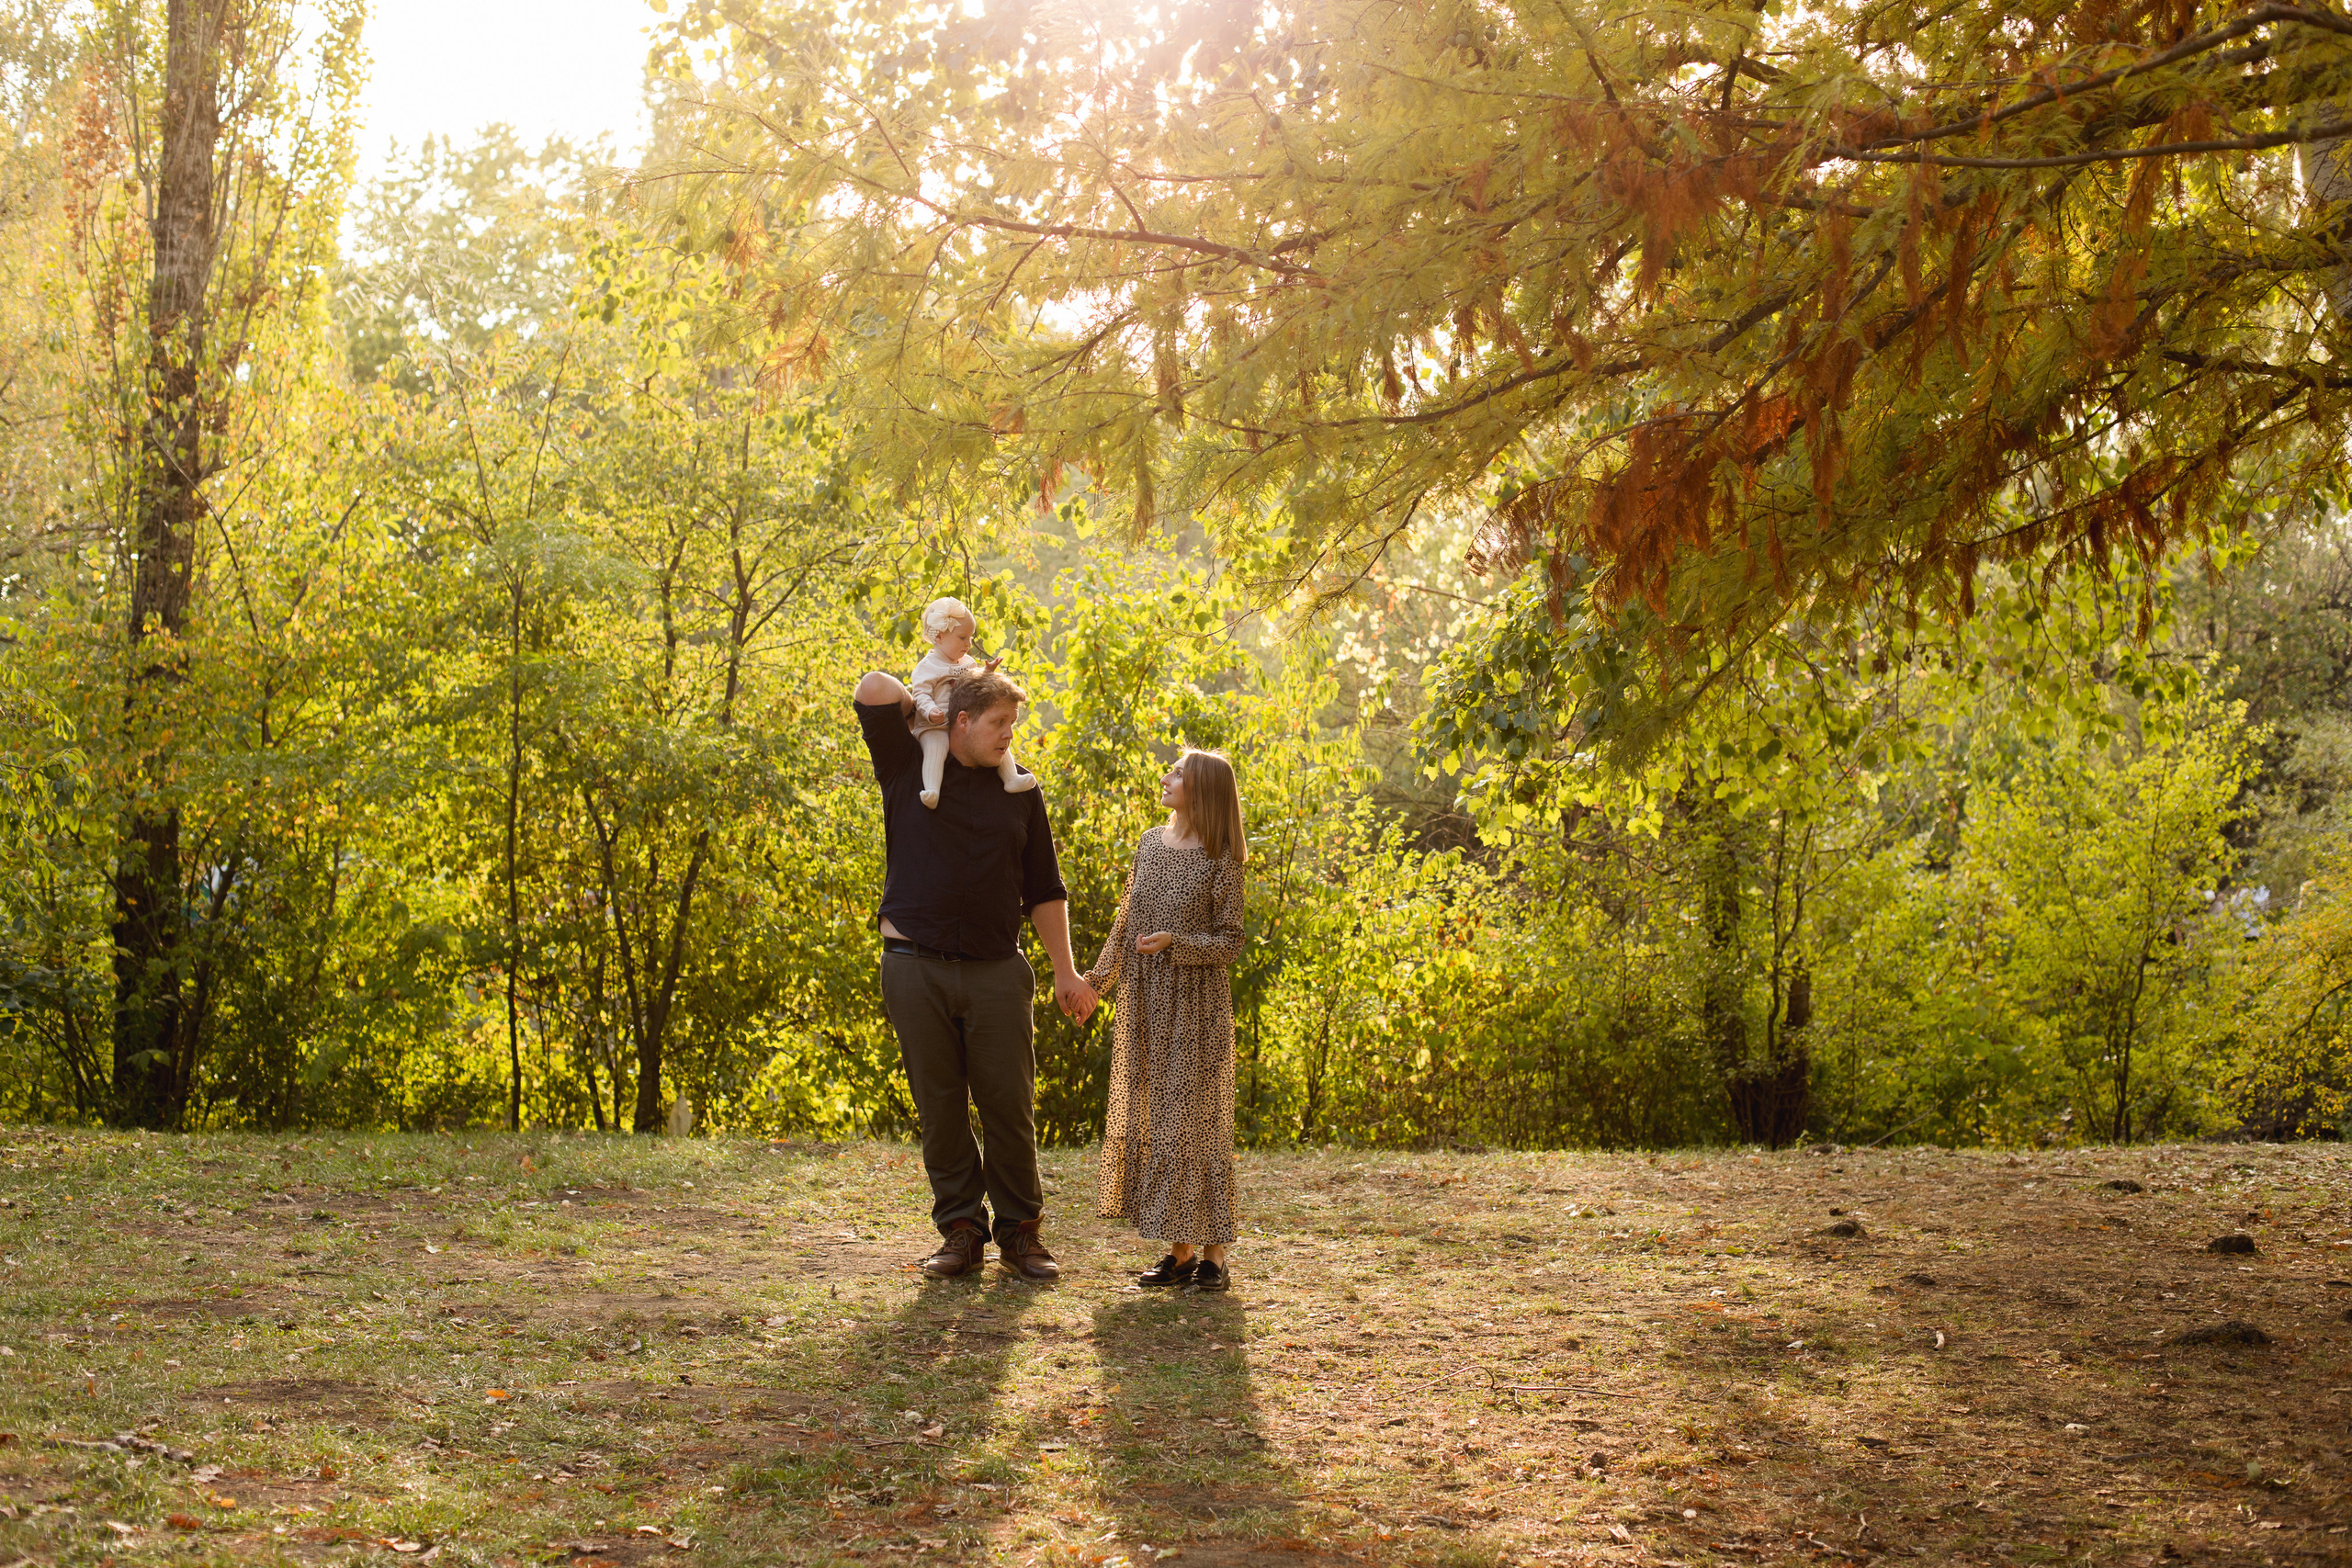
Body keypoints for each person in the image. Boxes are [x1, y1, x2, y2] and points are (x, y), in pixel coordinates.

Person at [853, 663, 1099, 1280]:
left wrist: (1067, 972)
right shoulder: (906, 765)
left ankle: (1021, 1234)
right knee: (940, 1104)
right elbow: (872, 689)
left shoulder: (1021, 790)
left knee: (1008, 1105)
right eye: (998, 722)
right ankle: (961, 1230)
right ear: (961, 721)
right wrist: (933, 695)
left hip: (996, 970)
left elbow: (1045, 887)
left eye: (1012, 723)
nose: (1008, 735)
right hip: (913, 966)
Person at [1082, 749, 1248, 1292]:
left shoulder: (1221, 854)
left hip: (1197, 1005)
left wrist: (1178, 944)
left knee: (1197, 1125)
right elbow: (1126, 920)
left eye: (1178, 773)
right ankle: (1178, 1254)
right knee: (1162, 1125)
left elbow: (1231, 941)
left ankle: (1214, 1256)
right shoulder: (1150, 843)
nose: (1166, 777)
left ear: (1203, 789)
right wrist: (1095, 982)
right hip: (1148, 1002)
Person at [906, 596, 1037, 809]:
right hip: (935, 722)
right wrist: (930, 711)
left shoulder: (967, 662)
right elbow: (920, 694)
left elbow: (974, 685)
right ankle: (932, 789)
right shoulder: (927, 667)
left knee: (997, 741)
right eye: (962, 637)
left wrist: (986, 672)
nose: (969, 644)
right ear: (938, 636)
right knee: (936, 746)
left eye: (970, 637)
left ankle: (1011, 777)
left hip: (964, 720)